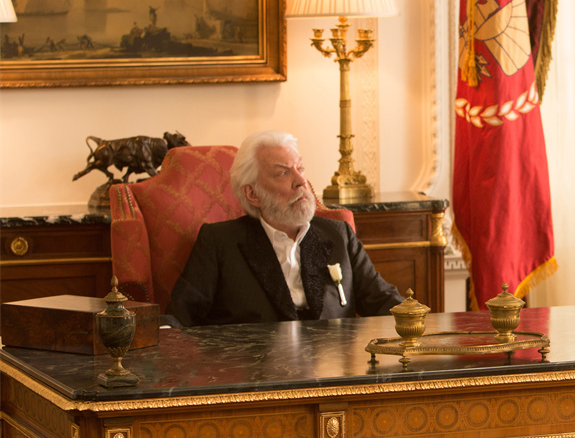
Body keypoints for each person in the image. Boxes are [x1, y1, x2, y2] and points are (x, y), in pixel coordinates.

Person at [167, 131, 404, 326]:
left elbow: (383, 300)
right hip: (255, 366)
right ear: (253, 193)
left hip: (333, 364)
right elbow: (179, 317)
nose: (301, 181)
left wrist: (417, 320)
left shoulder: (338, 234)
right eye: (283, 173)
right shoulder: (220, 242)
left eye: (300, 168)